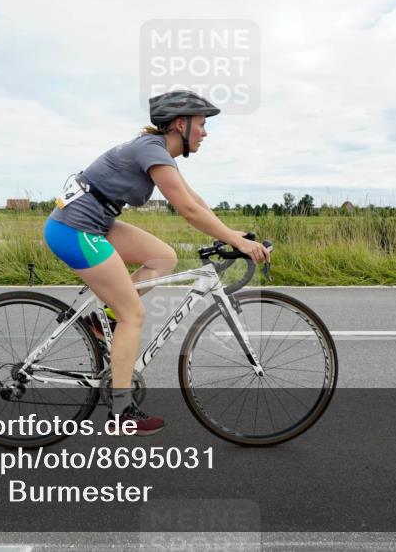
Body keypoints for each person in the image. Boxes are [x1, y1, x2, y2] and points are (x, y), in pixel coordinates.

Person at [42, 90, 270, 436]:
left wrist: (230, 233)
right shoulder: (151, 150)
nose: (205, 133)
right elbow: (188, 210)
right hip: (72, 229)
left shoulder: (158, 153)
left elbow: (194, 199)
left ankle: (102, 321)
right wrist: (235, 241)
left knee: (163, 257)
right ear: (181, 124)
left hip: (94, 224)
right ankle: (121, 410)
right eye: (202, 125)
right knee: (135, 313)